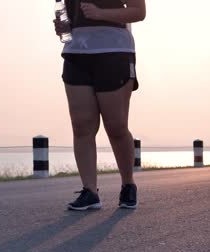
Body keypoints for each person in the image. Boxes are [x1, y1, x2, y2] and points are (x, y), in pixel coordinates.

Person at [53, 0, 146, 210]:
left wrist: (101, 13)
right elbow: (66, 18)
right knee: (81, 125)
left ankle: (128, 185)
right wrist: (62, 28)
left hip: (114, 52)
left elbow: (139, 12)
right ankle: (90, 191)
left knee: (116, 127)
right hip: (76, 54)